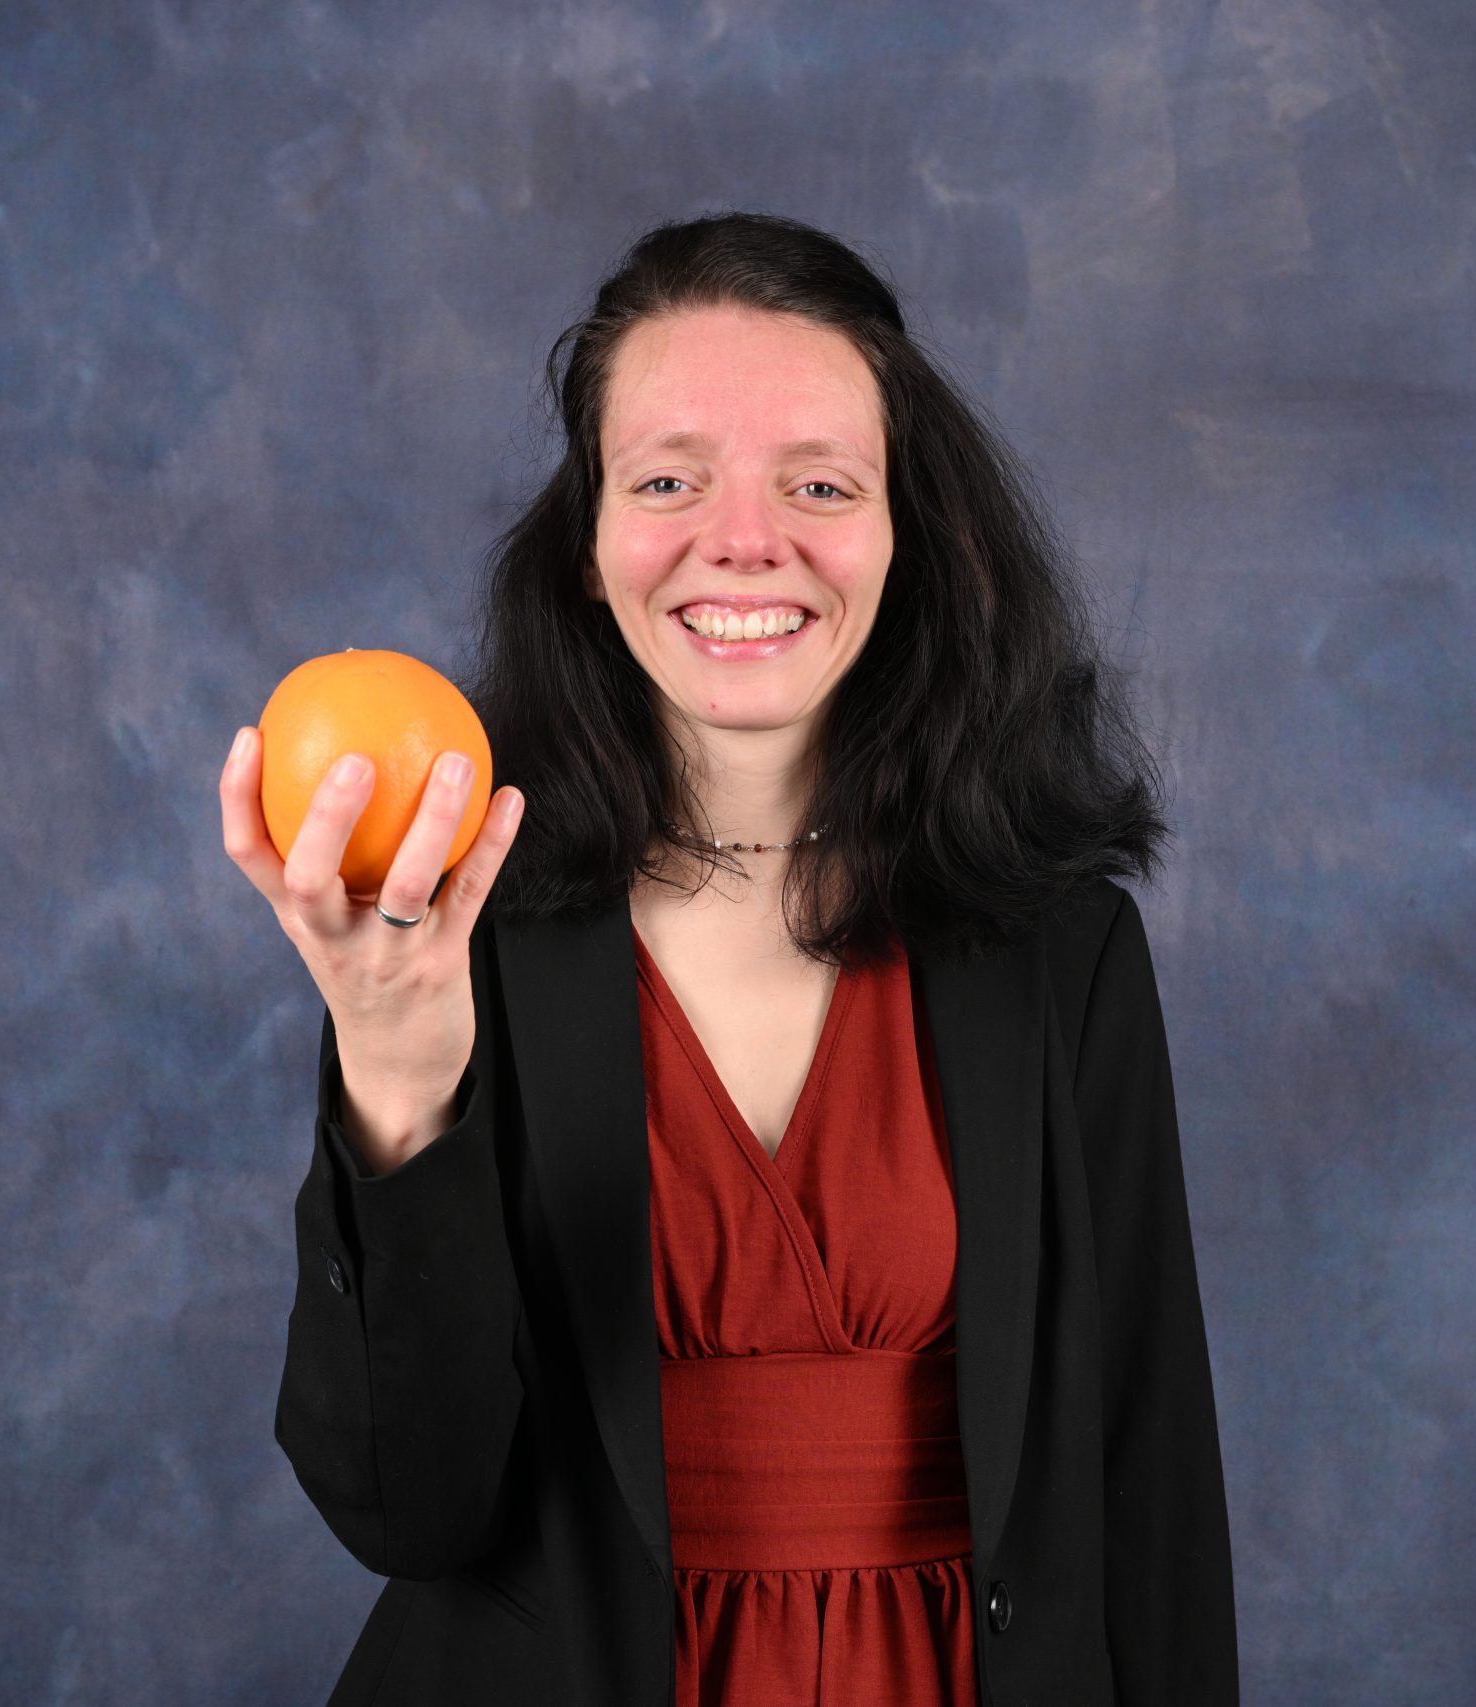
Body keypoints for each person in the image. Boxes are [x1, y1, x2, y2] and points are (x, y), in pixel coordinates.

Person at [221, 210, 1238, 1706]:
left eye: (819, 483)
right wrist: (393, 1061)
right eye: (668, 481)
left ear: (915, 539)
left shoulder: (1061, 946)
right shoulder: (448, 926)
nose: (743, 540)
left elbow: (1149, 1475)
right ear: (589, 545)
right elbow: (408, 1507)